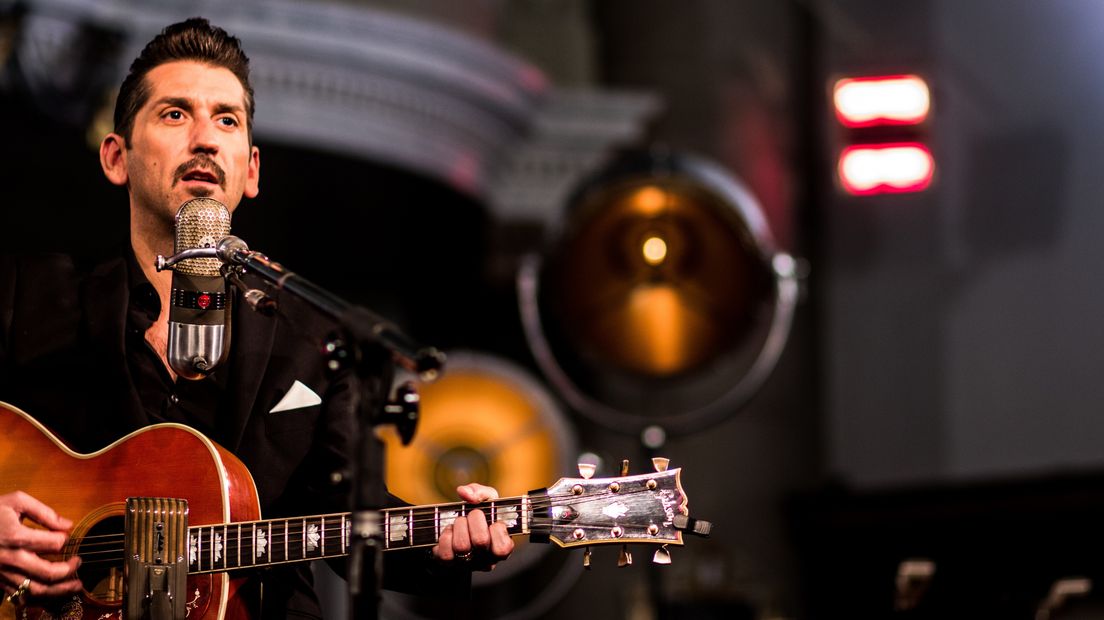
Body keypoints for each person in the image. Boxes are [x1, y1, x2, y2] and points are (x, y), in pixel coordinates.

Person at [0, 17, 513, 617]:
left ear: (251, 170)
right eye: (174, 114)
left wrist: (447, 547)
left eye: (227, 120)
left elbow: (353, 524)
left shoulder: (313, 337)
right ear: (117, 157)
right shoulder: (25, 296)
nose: (205, 140)